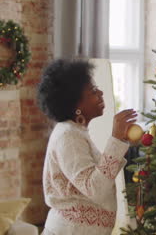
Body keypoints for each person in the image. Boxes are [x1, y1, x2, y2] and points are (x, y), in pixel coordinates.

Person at [37, 59, 137, 235]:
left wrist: (121, 142)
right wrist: (115, 139)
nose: (100, 92)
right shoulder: (68, 136)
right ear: (76, 103)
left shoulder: (76, 132)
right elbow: (94, 189)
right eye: (92, 91)